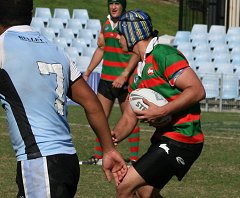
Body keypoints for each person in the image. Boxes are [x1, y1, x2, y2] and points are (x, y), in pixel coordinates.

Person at [0, 0, 127, 197]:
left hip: (40, 162)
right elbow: (92, 103)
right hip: (67, 160)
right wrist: (108, 149)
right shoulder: (56, 50)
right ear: (31, 14)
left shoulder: (3, 46)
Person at [112, 9, 206, 197]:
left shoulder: (164, 54)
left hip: (184, 137)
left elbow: (197, 90)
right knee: (145, 192)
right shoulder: (137, 75)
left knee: (125, 186)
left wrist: (162, 111)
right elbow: (129, 118)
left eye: (121, 33)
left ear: (133, 33)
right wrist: (111, 137)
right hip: (166, 138)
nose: (117, 37)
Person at [81, 0, 141, 165]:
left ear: (123, 6)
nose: (114, 7)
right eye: (111, 3)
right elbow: (101, 49)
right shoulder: (106, 23)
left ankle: (135, 159)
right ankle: (99, 157)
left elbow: (137, 52)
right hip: (106, 80)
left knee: (130, 118)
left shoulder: (129, 24)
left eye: (117, 3)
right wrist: (87, 72)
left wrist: (124, 74)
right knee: (100, 118)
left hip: (126, 81)